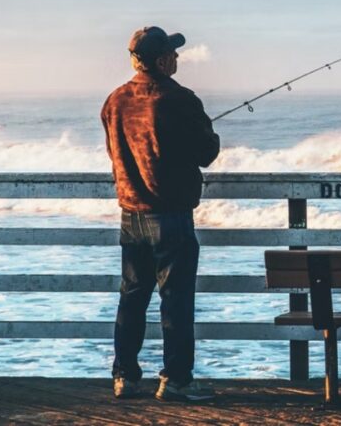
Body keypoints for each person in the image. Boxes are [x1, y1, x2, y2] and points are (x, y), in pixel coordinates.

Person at [101, 26, 220, 401]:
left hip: (130, 214)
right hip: (170, 215)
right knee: (176, 300)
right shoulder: (179, 99)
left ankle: (125, 376)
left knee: (131, 297)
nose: (178, 58)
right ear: (161, 60)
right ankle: (176, 380)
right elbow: (206, 153)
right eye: (172, 52)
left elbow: (118, 151)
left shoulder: (115, 100)